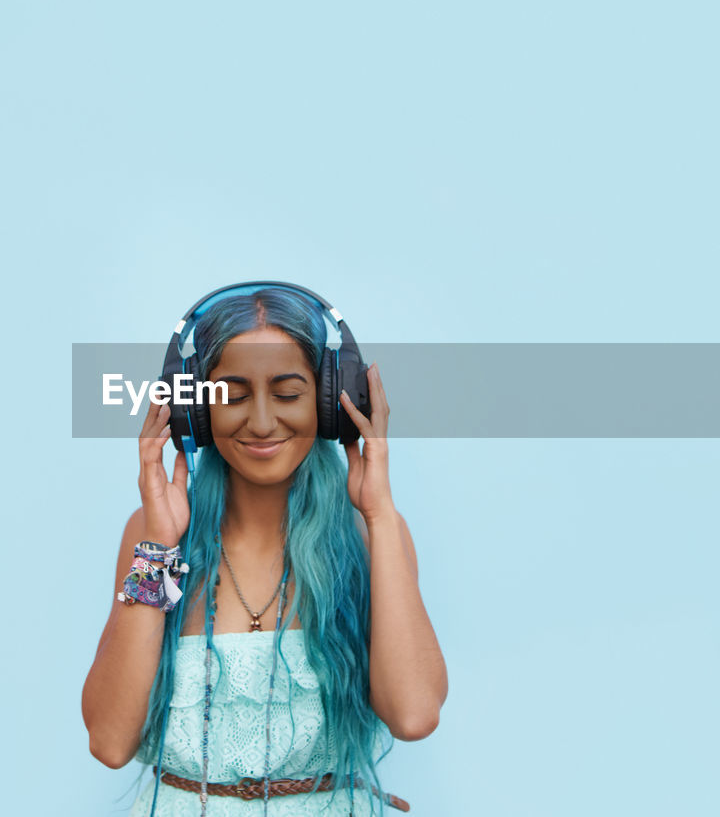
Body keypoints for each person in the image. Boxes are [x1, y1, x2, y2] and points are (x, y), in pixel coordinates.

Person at [82, 283, 447, 815]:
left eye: (288, 393)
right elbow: (110, 741)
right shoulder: (154, 538)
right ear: (195, 409)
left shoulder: (374, 532)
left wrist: (380, 514)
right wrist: (159, 548)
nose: (259, 421)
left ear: (330, 400)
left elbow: (414, 715)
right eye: (231, 395)